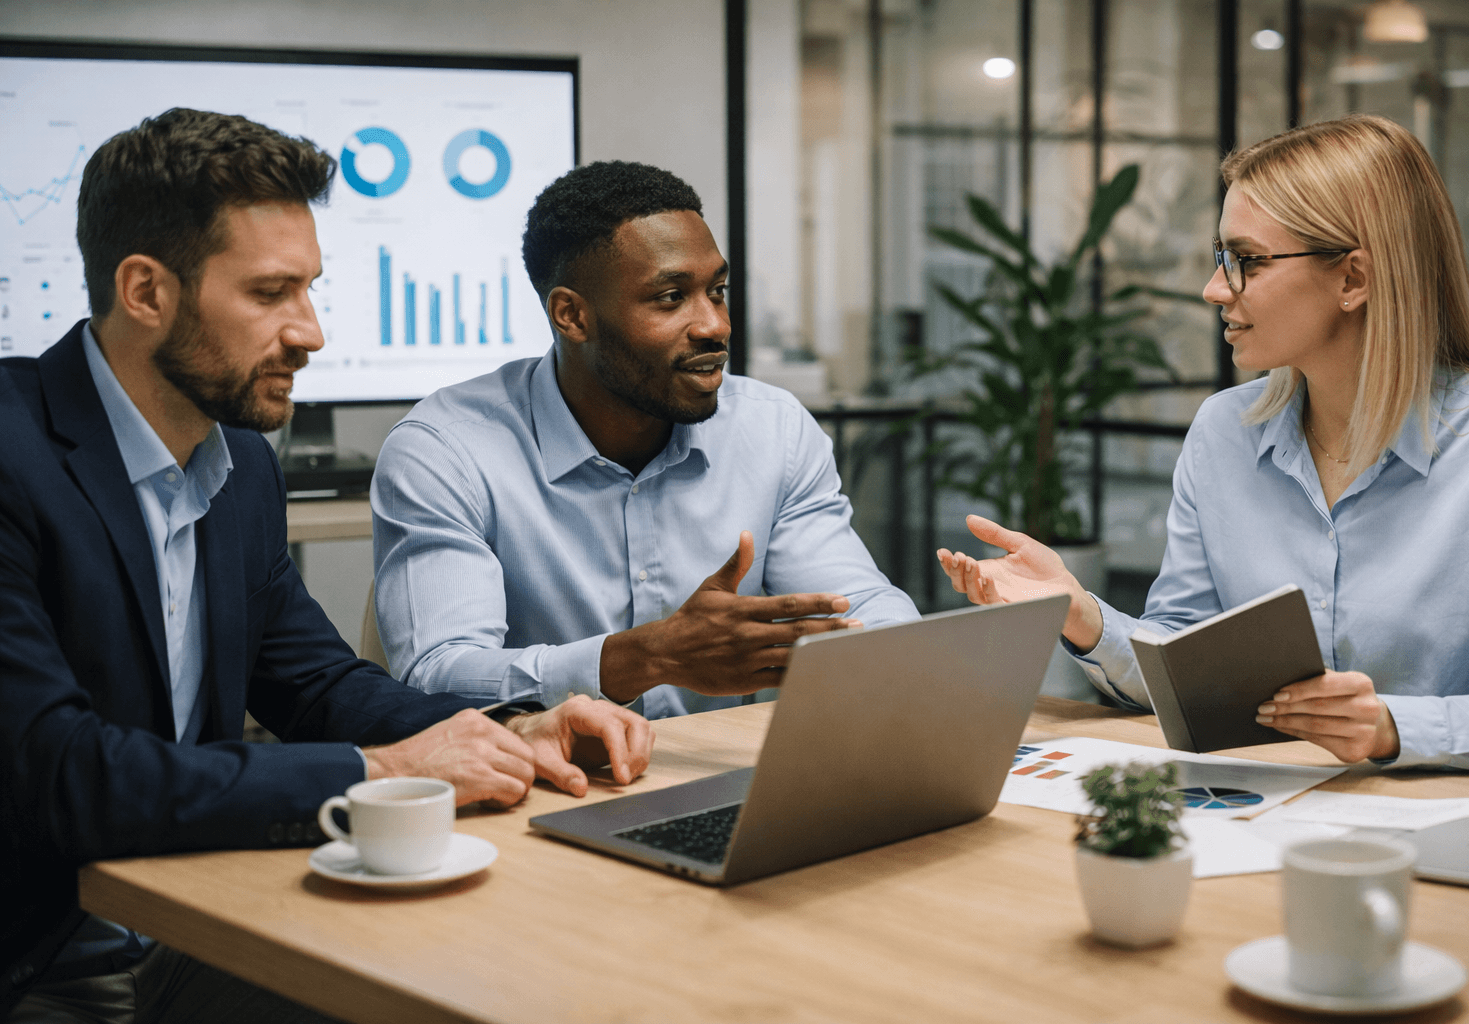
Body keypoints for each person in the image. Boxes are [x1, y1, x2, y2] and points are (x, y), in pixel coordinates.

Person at [0, 109, 653, 1021]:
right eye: (270, 293)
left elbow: (315, 683)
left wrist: (513, 729)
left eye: (309, 290)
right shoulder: (14, 454)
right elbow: (63, 776)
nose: (309, 332)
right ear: (145, 291)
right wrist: (378, 773)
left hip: (193, 921)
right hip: (37, 959)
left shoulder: (239, 463)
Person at [937, 114, 1469, 776]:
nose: (1215, 289)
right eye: (1221, 257)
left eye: (1247, 260)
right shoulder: (1224, 432)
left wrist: (1393, 727)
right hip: (1264, 806)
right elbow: (1187, 662)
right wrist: (1081, 614)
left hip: (1444, 823)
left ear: (1353, 280)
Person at [371, 161, 919, 719]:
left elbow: (855, 606)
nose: (716, 325)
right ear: (571, 315)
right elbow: (438, 675)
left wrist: (927, 656)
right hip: (540, 768)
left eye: (718, 291)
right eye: (671, 297)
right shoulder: (446, 451)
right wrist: (642, 658)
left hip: (719, 765)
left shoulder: (773, 429)